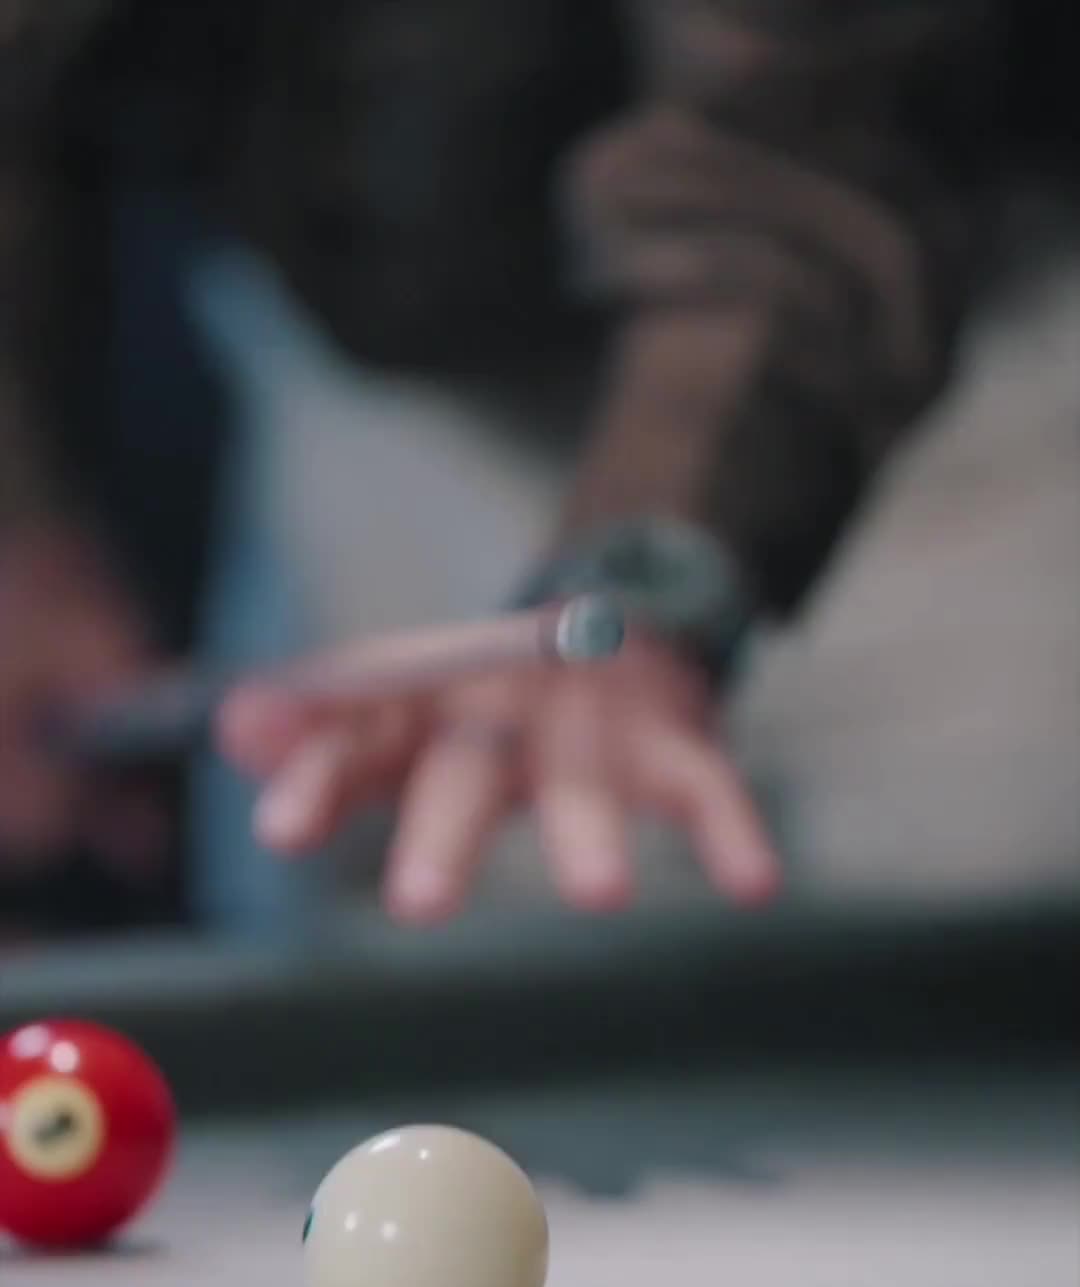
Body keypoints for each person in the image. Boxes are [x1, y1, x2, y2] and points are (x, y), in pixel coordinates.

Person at [0, 2, 1049, 930]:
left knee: (947, 976)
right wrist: (19, 529)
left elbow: (799, 159)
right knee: (446, 954)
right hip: (389, 411)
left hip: (944, 429)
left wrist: (645, 571)